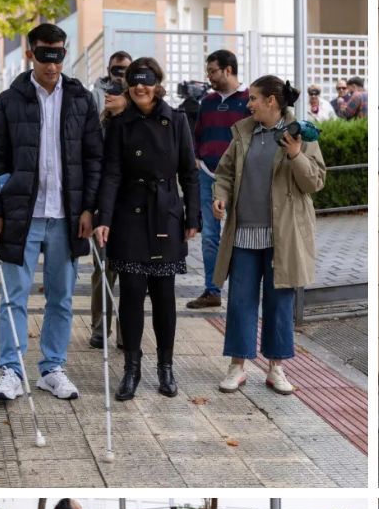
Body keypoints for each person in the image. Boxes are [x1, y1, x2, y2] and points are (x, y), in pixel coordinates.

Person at [0, 23, 103, 403]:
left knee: (61, 298)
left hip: (67, 216)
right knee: (13, 296)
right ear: (31, 53)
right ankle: (11, 370)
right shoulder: (10, 99)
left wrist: (89, 208)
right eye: (45, 55)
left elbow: (94, 159)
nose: (52, 65)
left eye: (59, 55)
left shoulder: (81, 99)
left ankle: (52, 368)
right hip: (21, 213)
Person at [93, 58, 200, 400]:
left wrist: (193, 217)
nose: (141, 87)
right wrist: (104, 218)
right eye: (135, 81)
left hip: (166, 213)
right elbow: (110, 173)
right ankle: (131, 369)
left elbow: (190, 173)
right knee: (132, 294)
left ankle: (165, 368)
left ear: (158, 83)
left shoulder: (176, 120)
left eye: (147, 81)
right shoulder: (119, 123)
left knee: (165, 295)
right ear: (128, 85)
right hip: (129, 215)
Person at [211, 76, 324, 396]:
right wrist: (220, 195)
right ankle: (237, 365)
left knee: (279, 303)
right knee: (240, 301)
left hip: (283, 235)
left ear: (272, 101)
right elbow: (225, 173)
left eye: (254, 99)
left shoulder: (301, 134)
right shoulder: (244, 132)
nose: (249, 105)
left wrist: (296, 154)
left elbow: (315, 182)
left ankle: (276, 368)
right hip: (243, 233)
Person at [186, 49, 251, 310]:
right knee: (210, 235)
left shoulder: (249, 100)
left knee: (240, 234)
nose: (209, 76)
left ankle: (240, 291)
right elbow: (198, 133)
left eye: (213, 71)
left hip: (240, 178)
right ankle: (212, 291)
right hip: (207, 175)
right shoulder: (208, 102)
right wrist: (197, 158)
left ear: (228, 69)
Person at [89, 51, 131, 351]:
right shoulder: (98, 105)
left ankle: (125, 330)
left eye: (125, 70)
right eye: (115, 70)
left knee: (131, 270)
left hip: (133, 202)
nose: (119, 75)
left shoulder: (140, 110)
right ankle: (99, 326)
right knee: (102, 268)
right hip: (104, 200)